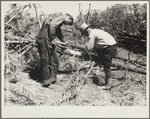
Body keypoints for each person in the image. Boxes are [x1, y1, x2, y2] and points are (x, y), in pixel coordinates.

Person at [36, 12, 73, 87]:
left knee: (55, 59)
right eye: (68, 23)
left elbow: (58, 31)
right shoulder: (62, 17)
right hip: (44, 38)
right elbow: (52, 25)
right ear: (69, 18)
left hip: (47, 39)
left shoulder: (57, 18)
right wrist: (52, 38)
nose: (66, 24)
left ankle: (52, 78)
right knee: (45, 59)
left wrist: (64, 41)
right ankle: (46, 80)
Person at [79, 23, 117, 89]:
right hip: (106, 47)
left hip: (109, 48)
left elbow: (89, 47)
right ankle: (95, 71)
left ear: (86, 30)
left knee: (106, 65)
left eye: (85, 34)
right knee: (100, 61)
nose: (85, 35)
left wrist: (82, 53)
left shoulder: (92, 34)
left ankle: (107, 85)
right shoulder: (94, 31)